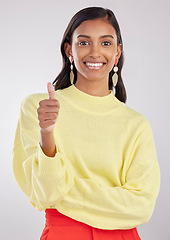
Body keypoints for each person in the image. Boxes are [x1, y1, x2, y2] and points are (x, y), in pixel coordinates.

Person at [12, 6, 160, 240]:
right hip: (62, 234)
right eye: (83, 42)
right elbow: (45, 195)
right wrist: (47, 135)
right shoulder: (38, 107)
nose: (94, 52)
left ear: (117, 52)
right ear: (69, 49)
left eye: (105, 43)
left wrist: (64, 188)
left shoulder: (136, 124)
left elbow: (142, 205)